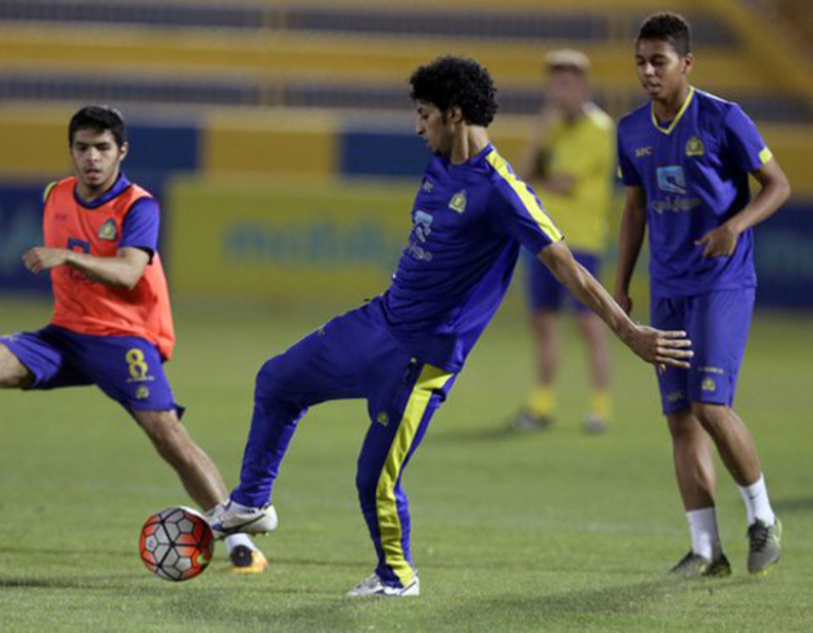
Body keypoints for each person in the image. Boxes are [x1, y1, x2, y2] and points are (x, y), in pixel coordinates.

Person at [206, 56, 692, 597]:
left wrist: (629, 331)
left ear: (454, 114)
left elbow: (566, 265)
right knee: (276, 381)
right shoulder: (441, 163)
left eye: (425, 114)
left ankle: (397, 577)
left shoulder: (502, 189)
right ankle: (250, 504)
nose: (419, 126)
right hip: (378, 323)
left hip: (421, 358)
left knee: (375, 481)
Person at [0, 105, 268, 574]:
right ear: (70, 151)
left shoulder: (139, 206)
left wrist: (67, 258)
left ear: (122, 151)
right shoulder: (56, 194)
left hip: (125, 340)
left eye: (102, 148)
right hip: (65, 335)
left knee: (167, 435)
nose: (91, 158)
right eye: (82, 148)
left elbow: (130, 271)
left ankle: (240, 539)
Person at [614, 13, 790, 577]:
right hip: (667, 289)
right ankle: (706, 549)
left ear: (686, 64)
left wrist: (735, 227)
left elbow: (779, 186)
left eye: (658, 61)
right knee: (680, 418)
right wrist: (620, 282)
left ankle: (763, 518)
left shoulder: (723, 118)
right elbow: (636, 206)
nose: (647, 71)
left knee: (711, 404)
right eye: (641, 61)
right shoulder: (631, 131)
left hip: (722, 282)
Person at [507, 49, 617, 433]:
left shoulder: (599, 128)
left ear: (584, 86)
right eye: (555, 82)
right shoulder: (552, 125)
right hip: (546, 239)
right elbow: (522, 175)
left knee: (590, 324)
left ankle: (600, 408)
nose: (560, 90)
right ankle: (542, 405)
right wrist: (540, 128)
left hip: (581, 240)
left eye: (567, 83)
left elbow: (562, 182)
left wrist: (535, 181)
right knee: (543, 322)